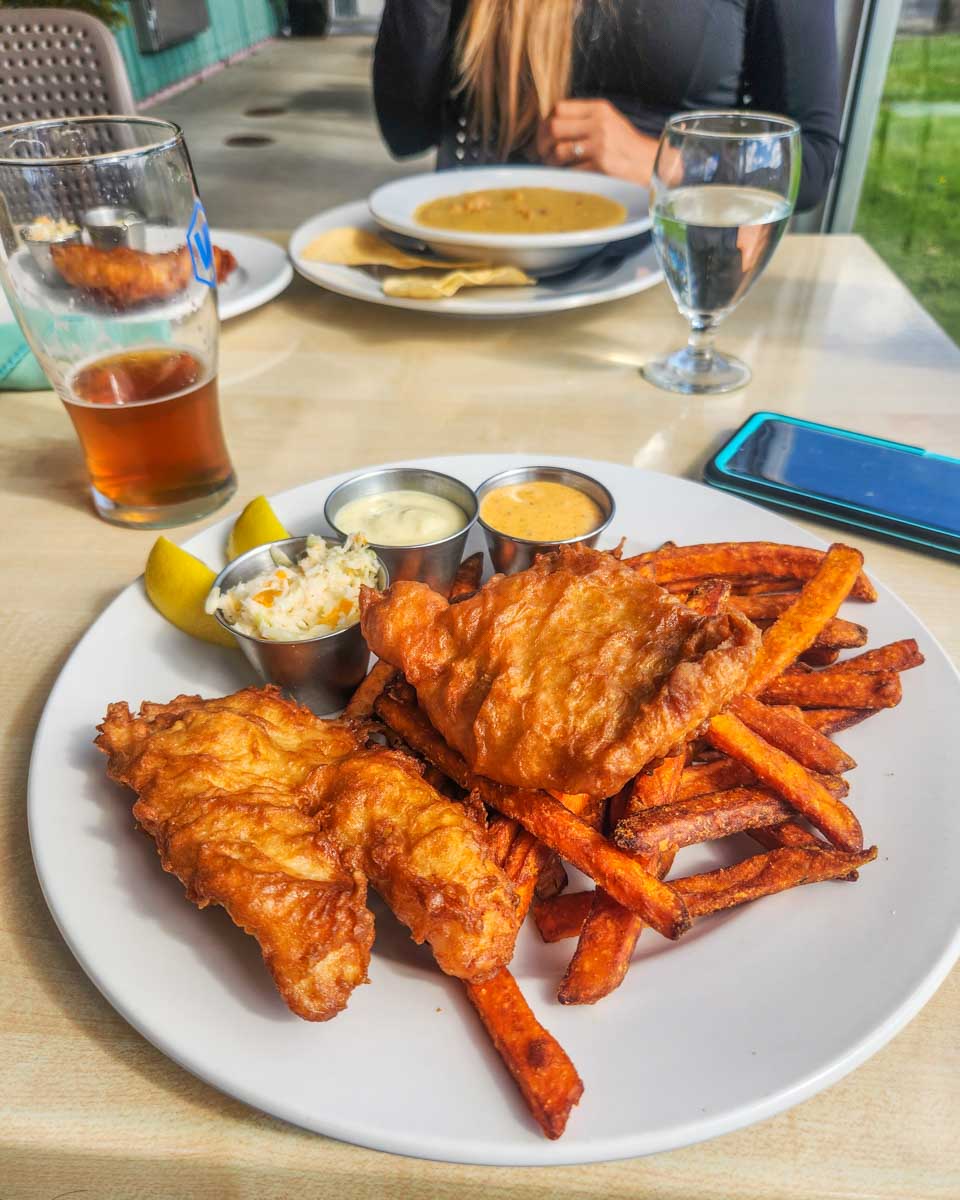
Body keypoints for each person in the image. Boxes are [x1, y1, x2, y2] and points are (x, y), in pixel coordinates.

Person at [373, 0, 841, 212]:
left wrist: (671, 164)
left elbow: (813, 162)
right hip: (488, 260)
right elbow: (406, 131)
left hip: (668, 278)